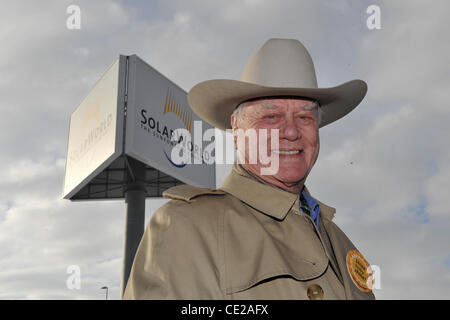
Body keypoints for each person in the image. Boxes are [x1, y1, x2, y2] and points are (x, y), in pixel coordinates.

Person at [123, 38, 375, 300]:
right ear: (237, 129)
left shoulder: (340, 241)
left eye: (304, 117)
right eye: (271, 116)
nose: (290, 131)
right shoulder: (187, 228)